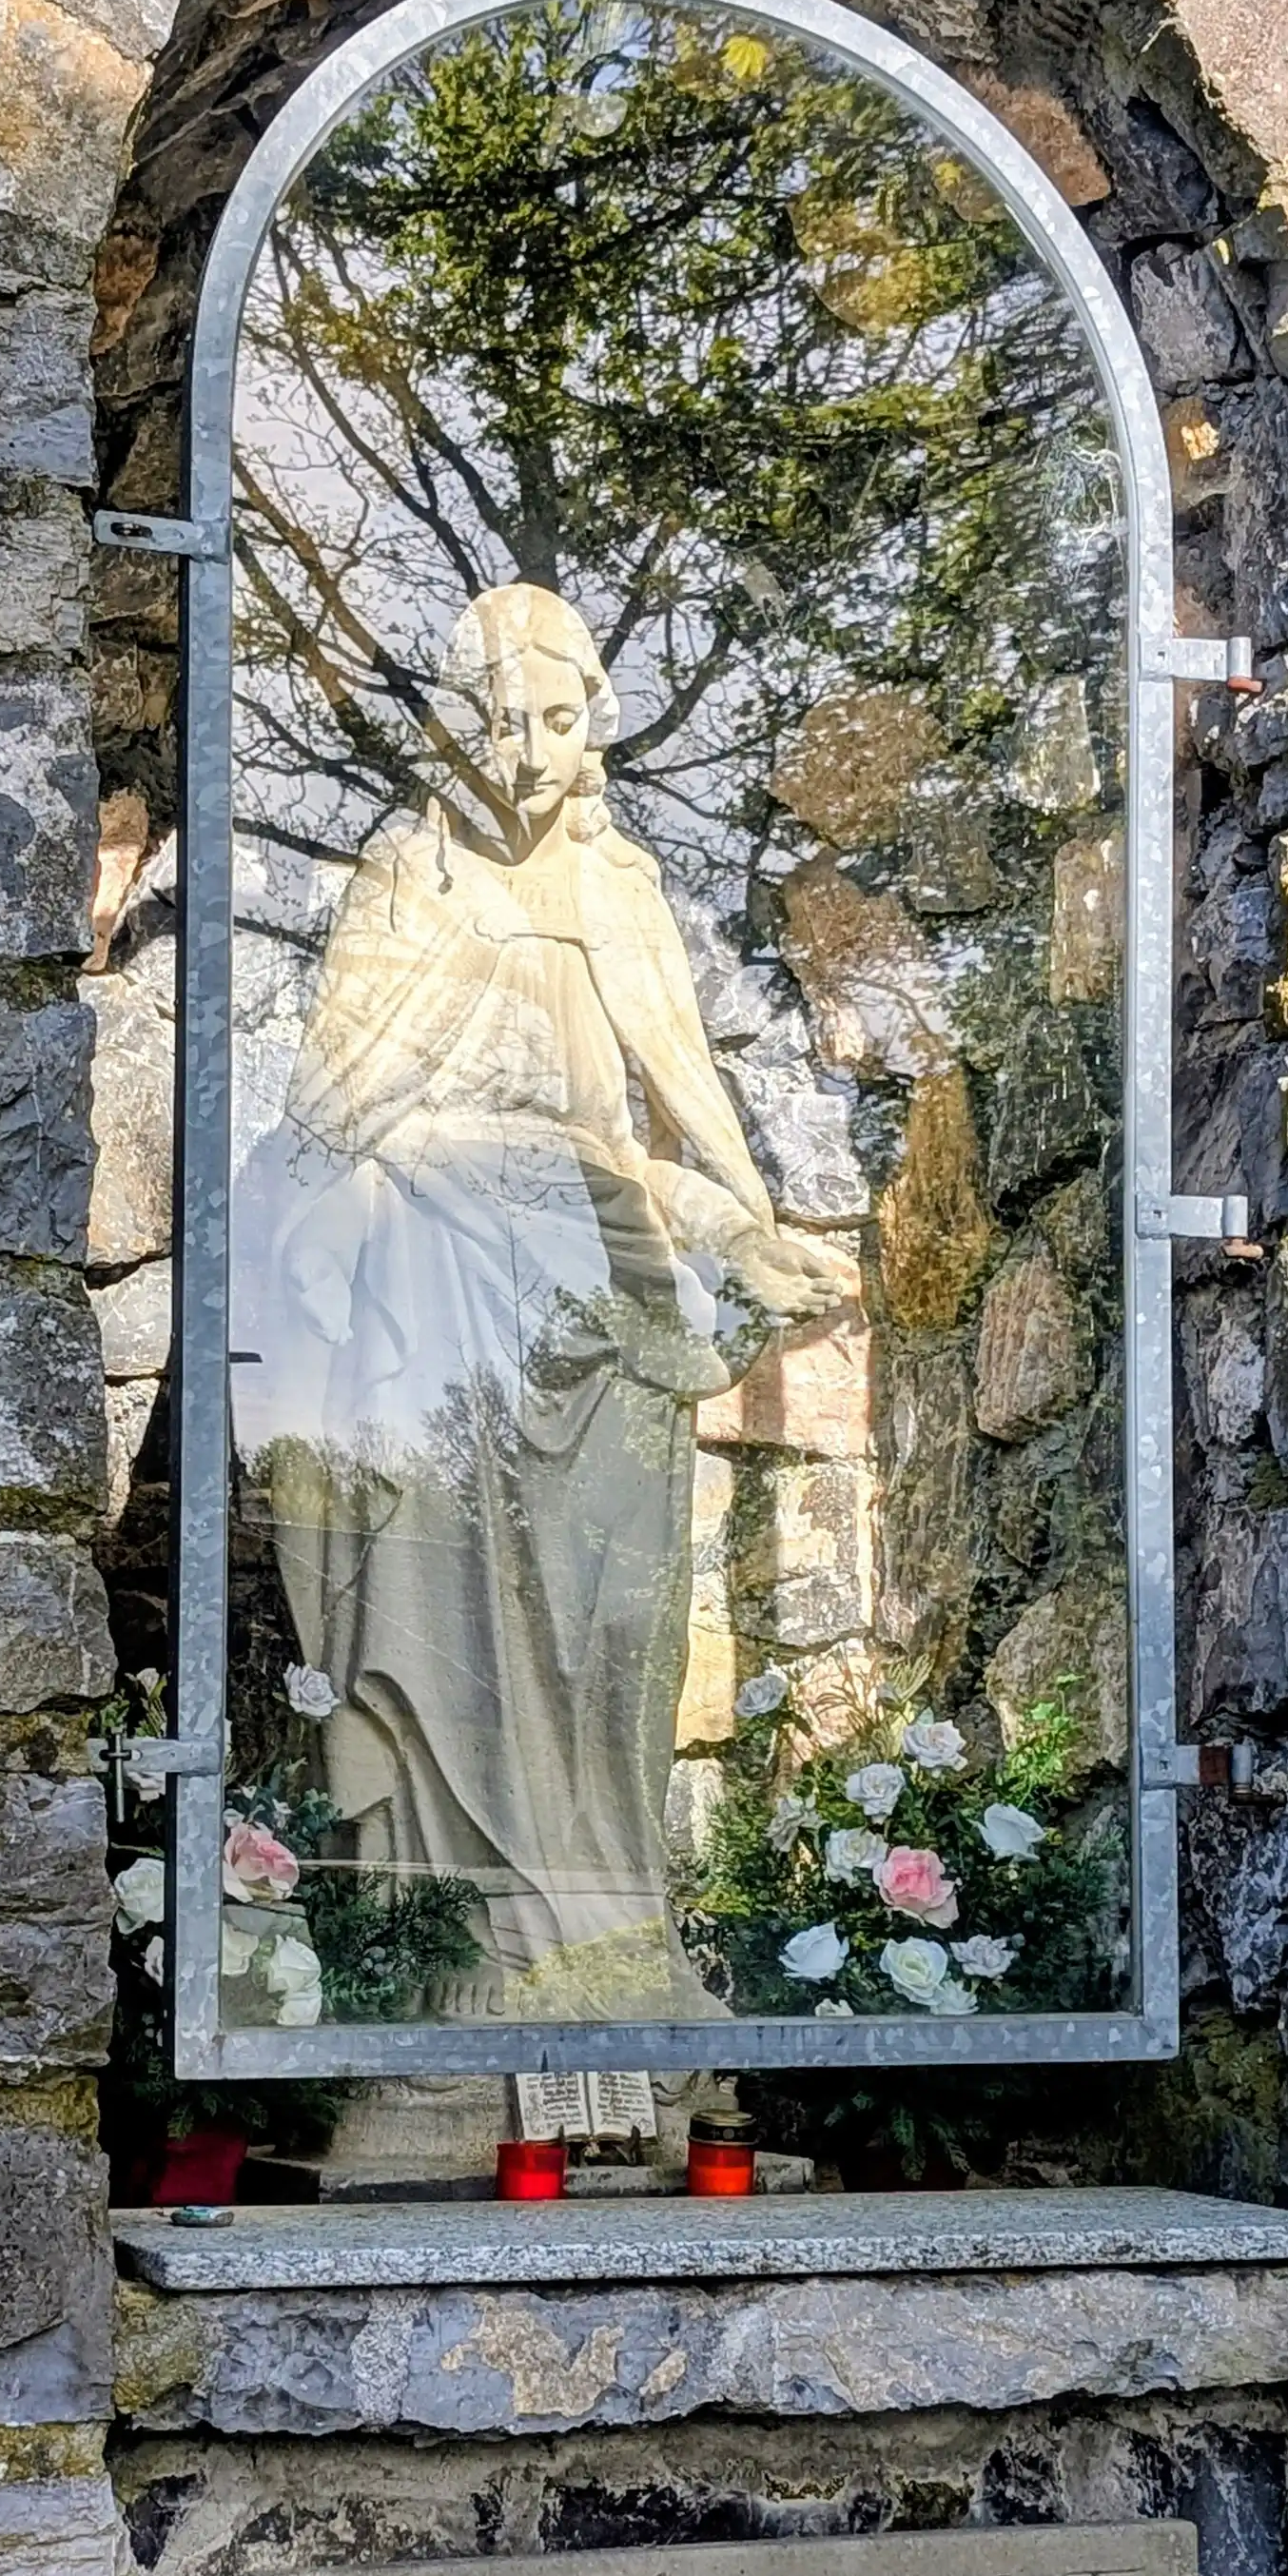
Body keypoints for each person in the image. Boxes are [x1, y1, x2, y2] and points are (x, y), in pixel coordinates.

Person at [232, 581, 843, 2020]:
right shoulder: (406, 878)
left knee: (606, 1650)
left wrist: (732, 1228)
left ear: (596, 730)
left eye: (556, 721)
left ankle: (615, 1975)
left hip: (596, 1304)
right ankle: (459, 1990)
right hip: (432, 1311)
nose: (523, 756)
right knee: (442, 1641)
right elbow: (330, 1112)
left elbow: (664, 1124)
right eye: (499, 723)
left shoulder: (621, 894)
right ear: (455, 729)